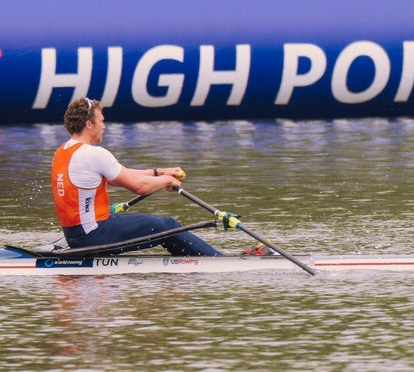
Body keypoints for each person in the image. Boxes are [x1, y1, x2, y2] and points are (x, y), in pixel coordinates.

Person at [51, 98, 269, 257]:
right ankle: (217, 261)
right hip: (94, 235)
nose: (104, 126)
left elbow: (121, 176)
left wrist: (160, 173)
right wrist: (166, 181)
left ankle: (193, 260)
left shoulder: (62, 152)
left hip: (76, 235)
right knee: (166, 225)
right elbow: (138, 187)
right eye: (101, 121)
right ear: (89, 124)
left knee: (164, 228)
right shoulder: (93, 153)